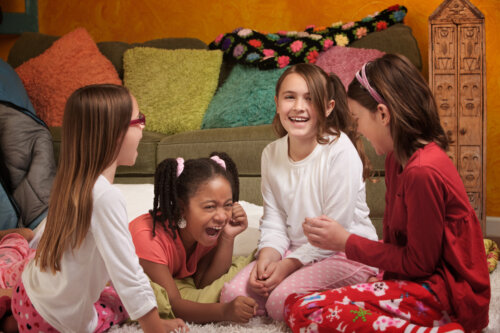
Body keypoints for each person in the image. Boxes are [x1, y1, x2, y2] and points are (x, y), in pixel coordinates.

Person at [285, 54, 490, 332]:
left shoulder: (423, 171)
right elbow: (401, 244)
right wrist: (384, 282)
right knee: (293, 303)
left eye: (357, 119)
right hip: (421, 286)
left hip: (449, 298)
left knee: (305, 310)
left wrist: (346, 242)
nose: (357, 130)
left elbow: (420, 263)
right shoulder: (397, 159)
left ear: (382, 114)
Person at [12, 84, 187, 333]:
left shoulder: (71, 182)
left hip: (25, 294)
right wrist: (154, 325)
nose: (143, 127)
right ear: (115, 133)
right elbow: (127, 271)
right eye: (139, 120)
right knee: (118, 303)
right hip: (52, 321)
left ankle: (13, 319)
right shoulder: (106, 197)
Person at [220, 63, 379, 321]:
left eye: (310, 99)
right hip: (295, 251)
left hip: (345, 252)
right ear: (277, 102)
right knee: (233, 297)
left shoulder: (340, 151)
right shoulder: (271, 154)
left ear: (328, 108)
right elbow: (274, 221)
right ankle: (290, 283)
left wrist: (287, 266)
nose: (298, 107)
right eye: (289, 97)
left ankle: (368, 286)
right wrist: (268, 257)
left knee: (280, 302)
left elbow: (334, 231)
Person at [129, 152, 258, 324]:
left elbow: (205, 282)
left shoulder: (205, 230)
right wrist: (224, 311)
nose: (221, 216)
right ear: (182, 208)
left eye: (227, 205)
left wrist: (227, 238)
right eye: (210, 207)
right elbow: (173, 305)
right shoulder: (148, 237)